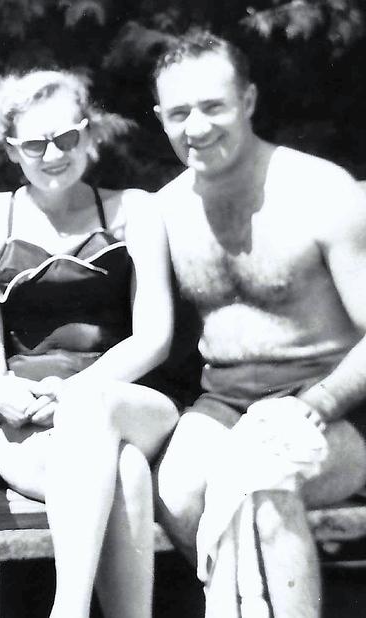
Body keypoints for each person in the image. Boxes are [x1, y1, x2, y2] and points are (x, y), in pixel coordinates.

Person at [151, 30, 366, 618]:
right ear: (160, 118)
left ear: (247, 102)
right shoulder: (165, 210)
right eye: (179, 113)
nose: (196, 127)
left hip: (339, 406)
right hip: (225, 404)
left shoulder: (320, 191)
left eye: (213, 106)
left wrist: (317, 403)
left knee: (262, 475)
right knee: (175, 489)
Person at [0, 69, 178, 618]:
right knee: (126, 472)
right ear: (12, 150)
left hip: (126, 402)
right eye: (34, 143)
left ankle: (70, 609)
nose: (52, 154)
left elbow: (154, 337)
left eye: (66, 137)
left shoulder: (136, 209)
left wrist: (76, 392)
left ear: (90, 134)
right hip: (27, 418)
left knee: (95, 412)